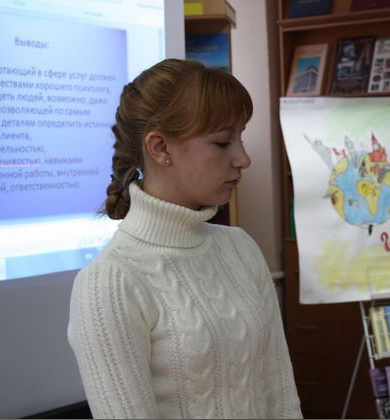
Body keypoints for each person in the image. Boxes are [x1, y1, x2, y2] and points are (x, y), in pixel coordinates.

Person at [67, 59, 302, 419]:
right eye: (222, 142)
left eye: (241, 138)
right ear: (161, 147)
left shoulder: (240, 248)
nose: (243, 159)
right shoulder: (110, 282)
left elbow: (281, 397)